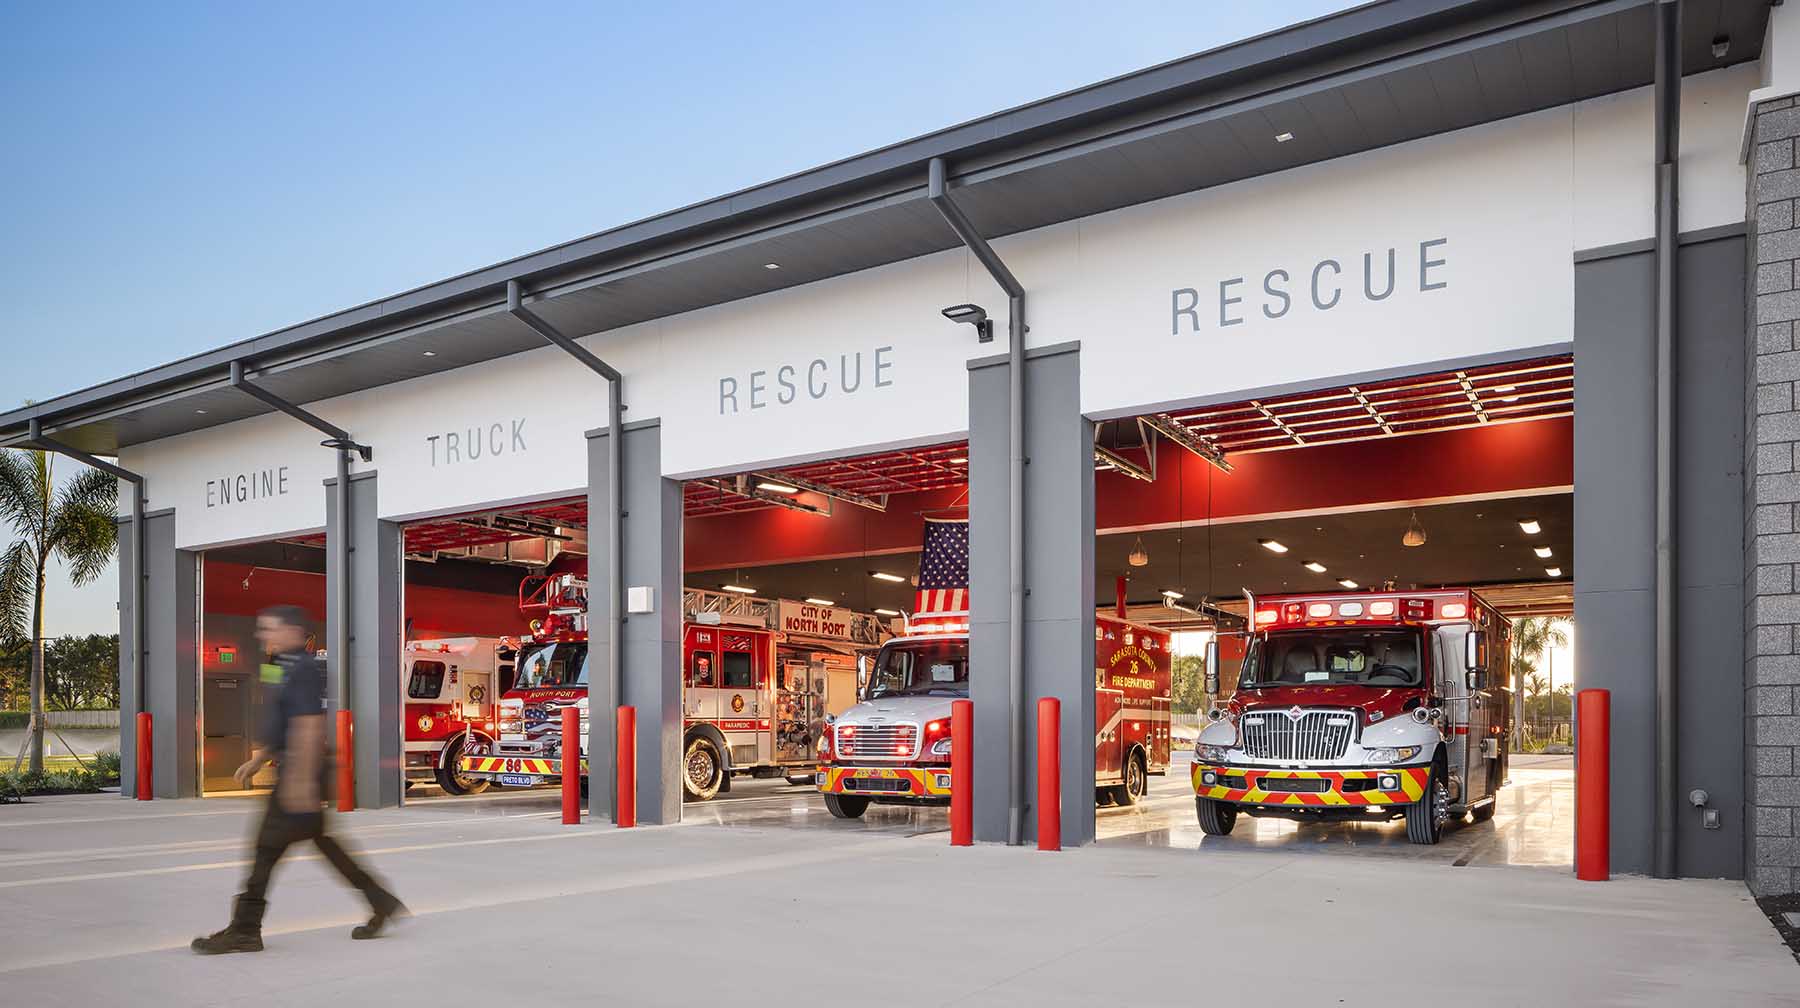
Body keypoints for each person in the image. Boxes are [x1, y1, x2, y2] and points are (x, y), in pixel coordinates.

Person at [192, 605, 405, 954]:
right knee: (326, 846)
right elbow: (282, 720)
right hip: (296, 771)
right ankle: (380, 900)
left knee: (265, 850)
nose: (263, 635)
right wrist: (259, 758)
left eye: (269, 628)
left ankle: (246, 929)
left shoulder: (304, 668)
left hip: (299, 772)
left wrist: (301, 783)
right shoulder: (280, 666)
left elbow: (309, 723)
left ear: (291, 631)